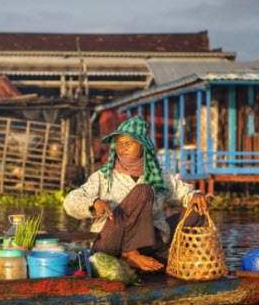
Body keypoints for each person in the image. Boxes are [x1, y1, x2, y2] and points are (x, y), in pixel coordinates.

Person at [63, 116, 208, 272]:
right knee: (143, 191)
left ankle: (156, 255)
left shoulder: (158, 175)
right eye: (118, 143)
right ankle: (130, 254)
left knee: (198, 211)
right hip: (111, 242)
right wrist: (94, 203)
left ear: (143, 146)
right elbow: (71, 201)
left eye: (128, 143)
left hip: (149, 243)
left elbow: (182, 190)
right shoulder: (104, 177)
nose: (121, 148)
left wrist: (194, 196)